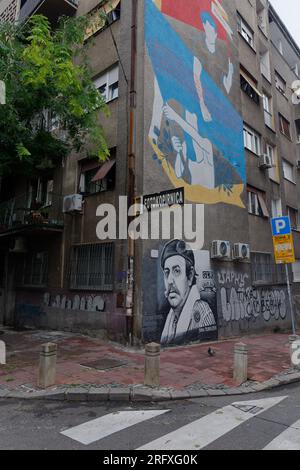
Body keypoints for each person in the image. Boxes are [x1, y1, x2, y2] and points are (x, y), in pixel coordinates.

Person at [160, 239, 217, 345]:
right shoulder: (173, 316)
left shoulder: (203, 312)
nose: (169, 281)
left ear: (190, 276)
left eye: (176, 271)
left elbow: (208, 348)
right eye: (167, 273)